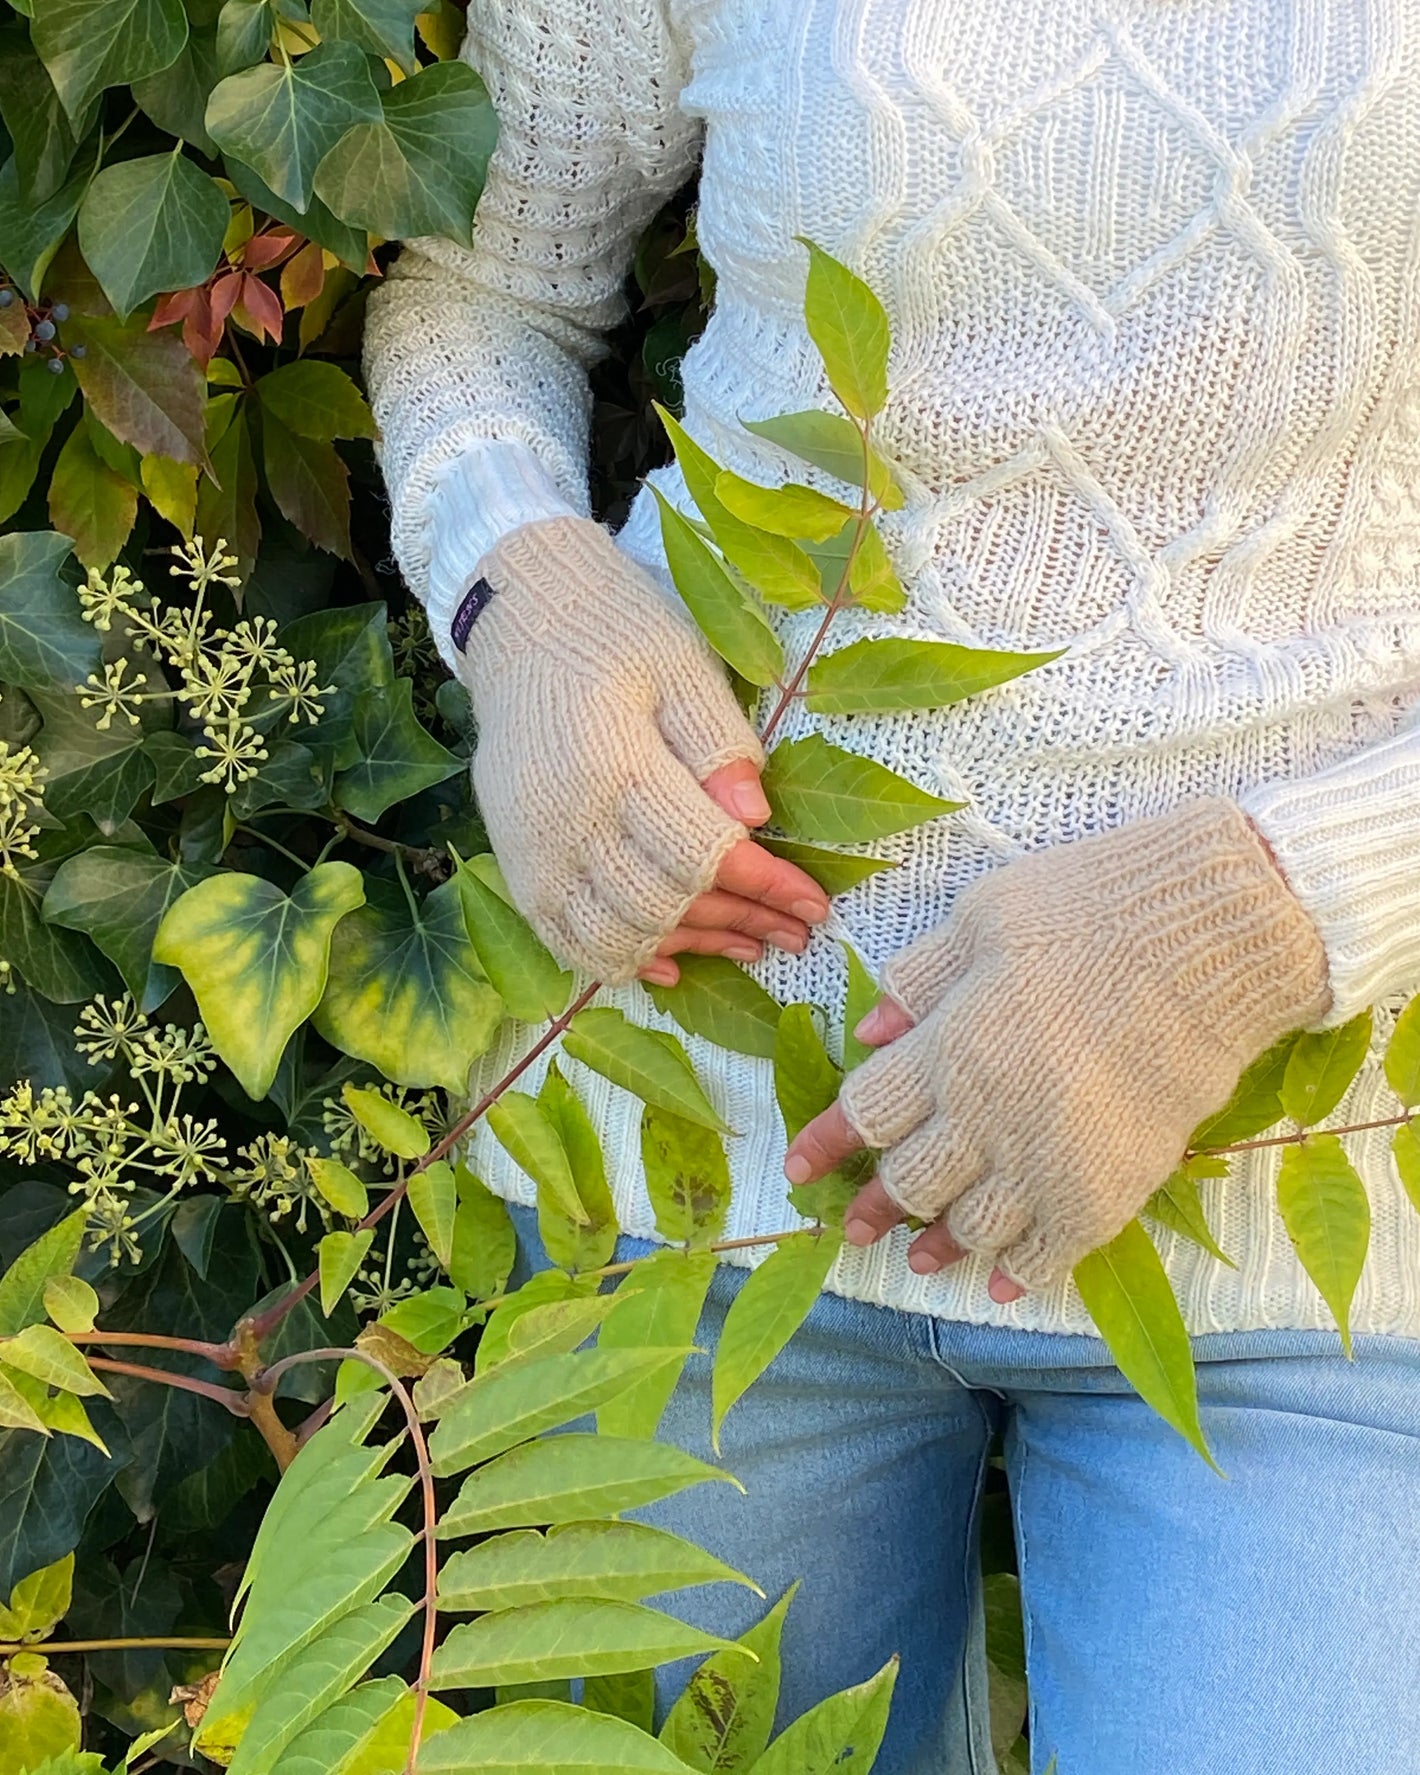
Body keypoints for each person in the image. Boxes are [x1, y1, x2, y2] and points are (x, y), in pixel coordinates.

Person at [362, 4, 1420, 1769]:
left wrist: (1260, 914)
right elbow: (481, 285)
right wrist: (522, 582)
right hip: (683, 1160)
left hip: (1310, 1236)